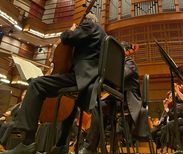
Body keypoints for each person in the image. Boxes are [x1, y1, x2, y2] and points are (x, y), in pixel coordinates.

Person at [3, 12, 106, 154]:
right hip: (91, 82)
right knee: (72, 103)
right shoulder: (103, 35)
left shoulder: (89, 25)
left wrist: (71, 30)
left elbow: (67, 38)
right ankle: (61, 145)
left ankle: (27, 142)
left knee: (36, 84)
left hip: (81, 77)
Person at [77, 41, 142, 154]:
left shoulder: (129, 63)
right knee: (101, 105)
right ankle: (106, 148)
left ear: (126, 52)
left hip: (129, 102)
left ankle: (89, 148)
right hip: (118, 100)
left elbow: (117, 79)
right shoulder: (120, 64)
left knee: (100, 106)